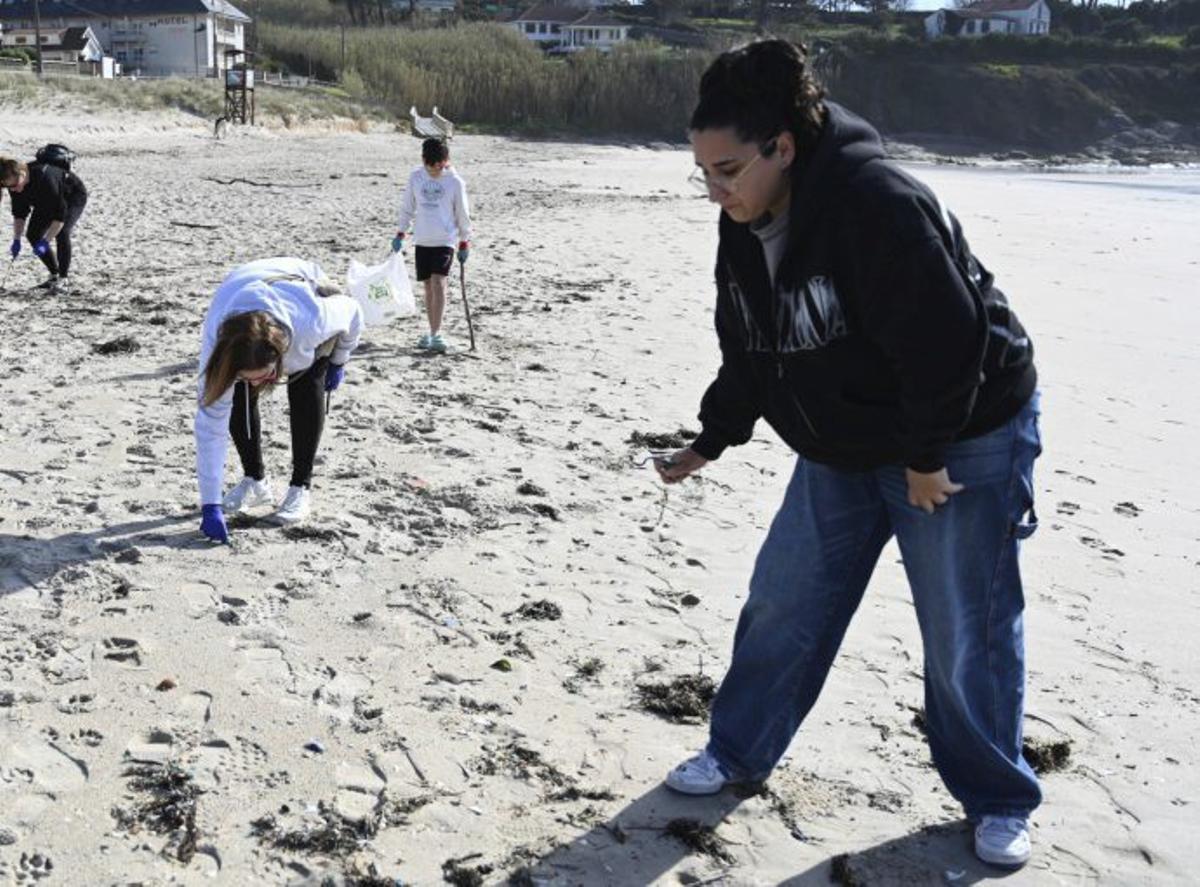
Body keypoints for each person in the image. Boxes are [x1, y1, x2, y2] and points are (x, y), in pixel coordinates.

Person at [657, 40, 1042, 870]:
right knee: (784, 600)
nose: (715, 190)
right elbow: (754, 349)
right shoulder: (744, 222)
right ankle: (737, 751)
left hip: (962, 429)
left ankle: (1000, 795)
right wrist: (711, 439)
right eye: (704, 173)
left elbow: (950, 341)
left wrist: (929, 456)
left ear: (782, 146)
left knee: (962, 624)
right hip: (844, 438)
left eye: (727, 170)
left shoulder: (878, 204)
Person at [195, 257, 364, 543]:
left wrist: (339, 360)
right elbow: (210, 427)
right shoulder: (218, 344)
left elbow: (354, 312)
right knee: (237, 397)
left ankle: (300, 488)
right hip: (240, 284)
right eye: (248, 377)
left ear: (278, 357)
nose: (258, 384)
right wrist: (210, 504)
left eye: (264, 376)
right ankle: (255, 480)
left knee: (306, 383)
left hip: (300, 284)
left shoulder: (314, 320)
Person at [391, 137, 471, 354]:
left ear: (446, 160)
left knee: (439, 282)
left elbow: (462, 213)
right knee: (427, 286)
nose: (435, 169)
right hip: (422, 239)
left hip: (445, 240)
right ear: (424, 160)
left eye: (440, 165)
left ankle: (436, 333)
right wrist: (401, 232)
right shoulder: (416, 177)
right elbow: (407, 207)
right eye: (431, 165)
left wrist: (464, 241)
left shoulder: (455, 182)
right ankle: (431, 330)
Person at [0, 156, 88, 295]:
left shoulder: (45, 179)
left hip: (72, 196)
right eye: (8, 187)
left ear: (22, 174)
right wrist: (16, 240)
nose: (13, 190)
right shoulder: (14, 185)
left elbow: (59, 217)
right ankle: (54, 275)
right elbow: (19, 214)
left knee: (62, 232)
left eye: (14, 185)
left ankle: (63, 279)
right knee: (33, 235)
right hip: (43, 200)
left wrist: (45, 242)